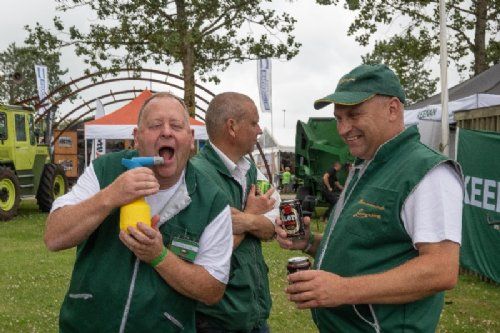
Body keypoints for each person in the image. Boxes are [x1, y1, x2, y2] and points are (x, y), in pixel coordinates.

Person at [275, 64, 463, 332]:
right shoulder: (366, 165)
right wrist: (310, 243)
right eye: (339, 118)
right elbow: (369, 247)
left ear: (393, 109)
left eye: (354, 115)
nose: (343, 129)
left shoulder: (426, 171)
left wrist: (343, 290)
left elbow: (441, 269)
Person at [44, 92, 233, 332]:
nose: (166, 132)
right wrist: (110, 196)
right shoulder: (105, 170)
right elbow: (53, 236)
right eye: (155, 125)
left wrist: (159, 256)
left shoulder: (212, 201)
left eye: (176, 125)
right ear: (136, 137)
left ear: (191, 139)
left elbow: (212, 289)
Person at [192, 92, 280, 333]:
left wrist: (244, 219)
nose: (259, 130)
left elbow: (275, 223)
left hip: (253, 314)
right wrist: (254, 216)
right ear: (232, 127)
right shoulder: (196, 176)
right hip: (217, 320)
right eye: (253, 122)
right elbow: (200, 258)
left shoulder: (249, 169)